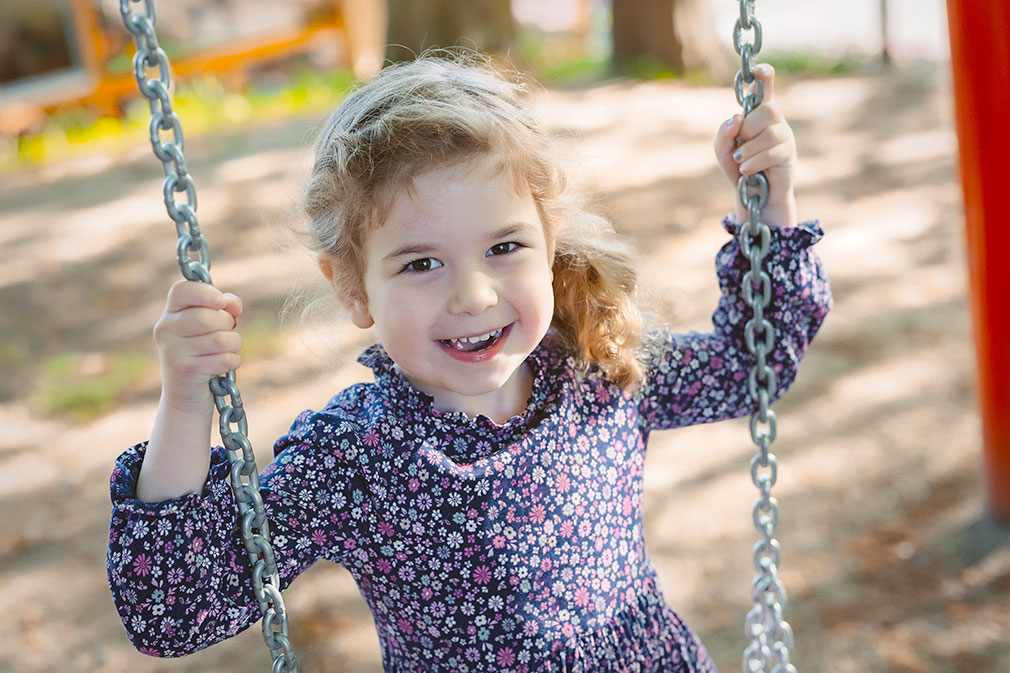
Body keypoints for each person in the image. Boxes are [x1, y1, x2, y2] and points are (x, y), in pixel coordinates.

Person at [107, 53, 831, 672]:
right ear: (355, 287)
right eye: (421, 262)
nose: (473, 294)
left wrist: (772, 201)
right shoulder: (358, 455)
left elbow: (752, 364)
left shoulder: (598, 370)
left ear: (549, 243)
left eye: (505, 247)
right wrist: (185, 400)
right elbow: (176, 607)